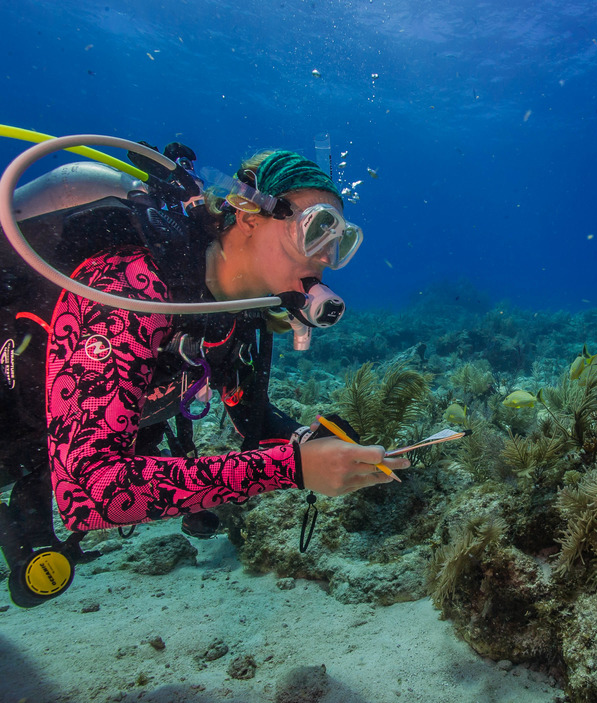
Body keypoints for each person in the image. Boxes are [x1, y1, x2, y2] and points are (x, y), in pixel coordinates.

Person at [0, 140, 408, 606]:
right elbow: (90, 493)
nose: (325, 256)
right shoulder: (129, 285)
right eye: (316, 230)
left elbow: (249, 416)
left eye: (340, 243)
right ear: (250, 217)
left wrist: (308, 441)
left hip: (34, 450)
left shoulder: (236, 314)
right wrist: (291, 469)